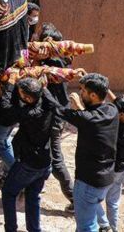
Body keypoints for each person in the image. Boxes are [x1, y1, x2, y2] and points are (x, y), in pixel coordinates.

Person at [59, 73, 119, 232]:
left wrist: (43, 89)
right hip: (105, 179)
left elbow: (58, 110)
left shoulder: (87, 118)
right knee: (91, 216)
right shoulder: (112, 110)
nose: (80, 93)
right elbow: (90, 114)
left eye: (83, 91)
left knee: (86, 227)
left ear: (93, 95)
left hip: (88, 183)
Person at [0, 77, 58, 232]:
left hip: (29, 164)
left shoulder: (29, 113)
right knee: (33, 196)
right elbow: (47, 95)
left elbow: (6, 108)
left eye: (22, 94)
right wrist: (42, 87)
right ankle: (34, 229)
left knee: (8, 193)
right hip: (45, 162)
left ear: (29, 98)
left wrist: (10, 85)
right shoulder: (48, 105)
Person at [38, 23, 76, 207]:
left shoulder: (52, 65)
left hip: (53, 115)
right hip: (54, 112)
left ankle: (74, 199)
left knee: (55, 159)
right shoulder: (63, 60)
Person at [98, 95, 124, 232]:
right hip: (122, 169)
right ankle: (113, 228)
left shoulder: (117, 129)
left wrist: (79, 106)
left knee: (92, 199)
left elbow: (94, 125)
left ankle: (104, 225)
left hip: (111, 171)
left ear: (121, 114)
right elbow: (122, 105)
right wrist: (107, 91)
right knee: (113, 202)